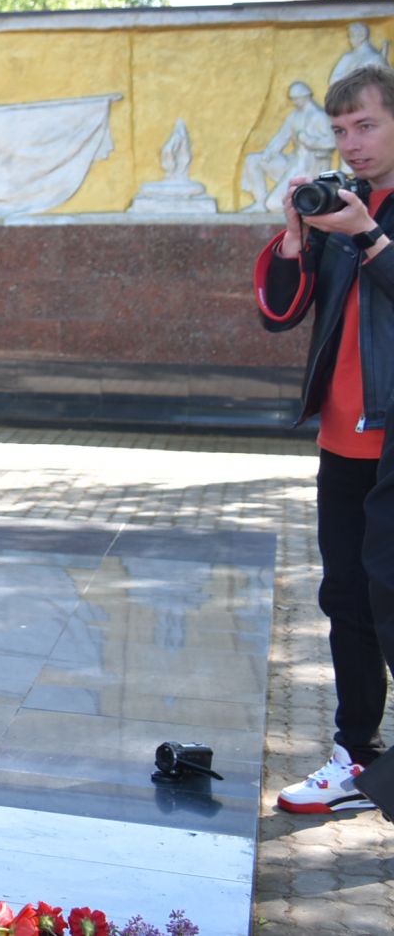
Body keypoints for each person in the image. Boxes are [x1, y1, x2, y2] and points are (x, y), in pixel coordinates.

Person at [255, 65, 394, 813]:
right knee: (346, 598)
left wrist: (368, 234)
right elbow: (279, 312)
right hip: (343, 446)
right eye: (341, 130)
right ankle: (357, 755)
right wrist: (295, 235)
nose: (353, 142)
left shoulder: (367, 219)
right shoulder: (342, 209)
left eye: (366, 125)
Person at [242, 80, 336, 213]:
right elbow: (282, 137)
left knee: (274, 205)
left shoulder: (319, 116)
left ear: (306, 96)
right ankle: (259, 202)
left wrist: (309, 141)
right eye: (293, 99)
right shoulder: (295, 115)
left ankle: (305, 206)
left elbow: (332, 142)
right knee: (253, 160)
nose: (294, 102)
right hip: (293, 163)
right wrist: (269, 153)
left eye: (297, 99)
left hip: (309, 169)